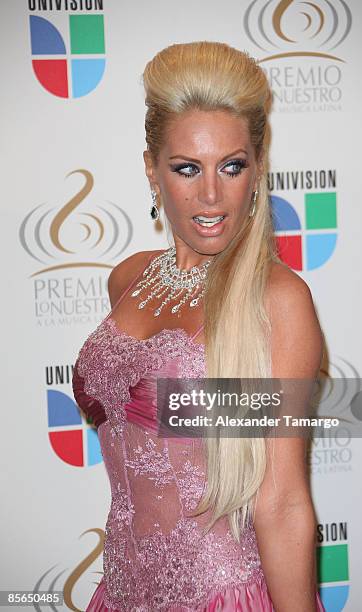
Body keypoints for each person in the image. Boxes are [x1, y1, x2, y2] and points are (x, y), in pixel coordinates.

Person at [72, 41, 325, 611]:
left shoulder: (277, 301)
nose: (210, 195)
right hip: (121, 593)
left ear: (256, 169)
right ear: (151, 169)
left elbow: (281, 501)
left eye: (231, 166)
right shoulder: (128, 278)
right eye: (187, 168)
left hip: (220, 597)